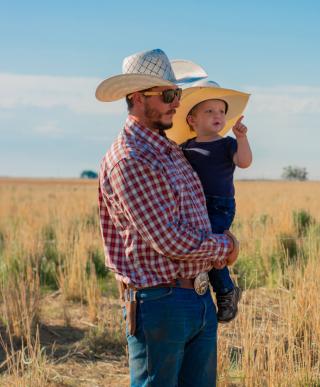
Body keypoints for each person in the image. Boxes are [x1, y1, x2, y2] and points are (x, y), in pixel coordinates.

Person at [95, 49, 239, 387]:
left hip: (196, 297)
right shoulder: (130, 158)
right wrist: (225, 247)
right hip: (160, 302)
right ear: (136, 98)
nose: (177, 103)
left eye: (177, 94)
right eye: (169, 95)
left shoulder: (171, 149)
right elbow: (170, 239)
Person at [167, 60, 251, 323]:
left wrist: (241, 138)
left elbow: (245, 162)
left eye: (221, 111)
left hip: (219, 206)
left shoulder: (227, 144)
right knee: (201, 246)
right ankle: (209, 287)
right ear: (191, 119)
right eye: (209, 111)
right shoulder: (185, 148)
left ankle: (226, 290)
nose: (218, 115)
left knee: (211, 245)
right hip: (193, 205)